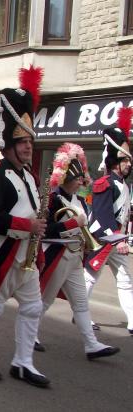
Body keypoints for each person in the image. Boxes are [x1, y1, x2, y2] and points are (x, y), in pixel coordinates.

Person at [0, 65, 50, 387]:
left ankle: (23, 362)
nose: (29, 146)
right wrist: (26, 225)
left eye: (30, 140)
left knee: (32, 308)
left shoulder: (30, 175)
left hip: (27, 257)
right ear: (8, 144)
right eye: (22, 141)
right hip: (1, 253)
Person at [35, 142, 119, 360]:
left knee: (81, 303)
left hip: (74, 256)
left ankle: (91, 344)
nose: (81, 182)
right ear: (67, 179)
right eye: (77, 179)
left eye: (81, 178)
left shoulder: (80, 199)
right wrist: (72, 225)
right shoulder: (53, 199)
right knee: (45, 300)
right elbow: (44, 230)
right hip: (58, 255)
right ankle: (31, 334)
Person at [84, 107, 133, 335]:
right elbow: (102, 215)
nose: (129, 164)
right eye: (125, 160)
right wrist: (117, 239)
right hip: (102, 239)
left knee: (125, 280)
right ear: (116, 161)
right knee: (89, 278)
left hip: (117, 239)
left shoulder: (124, 185)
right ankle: (80, 314)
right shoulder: (104, 183)